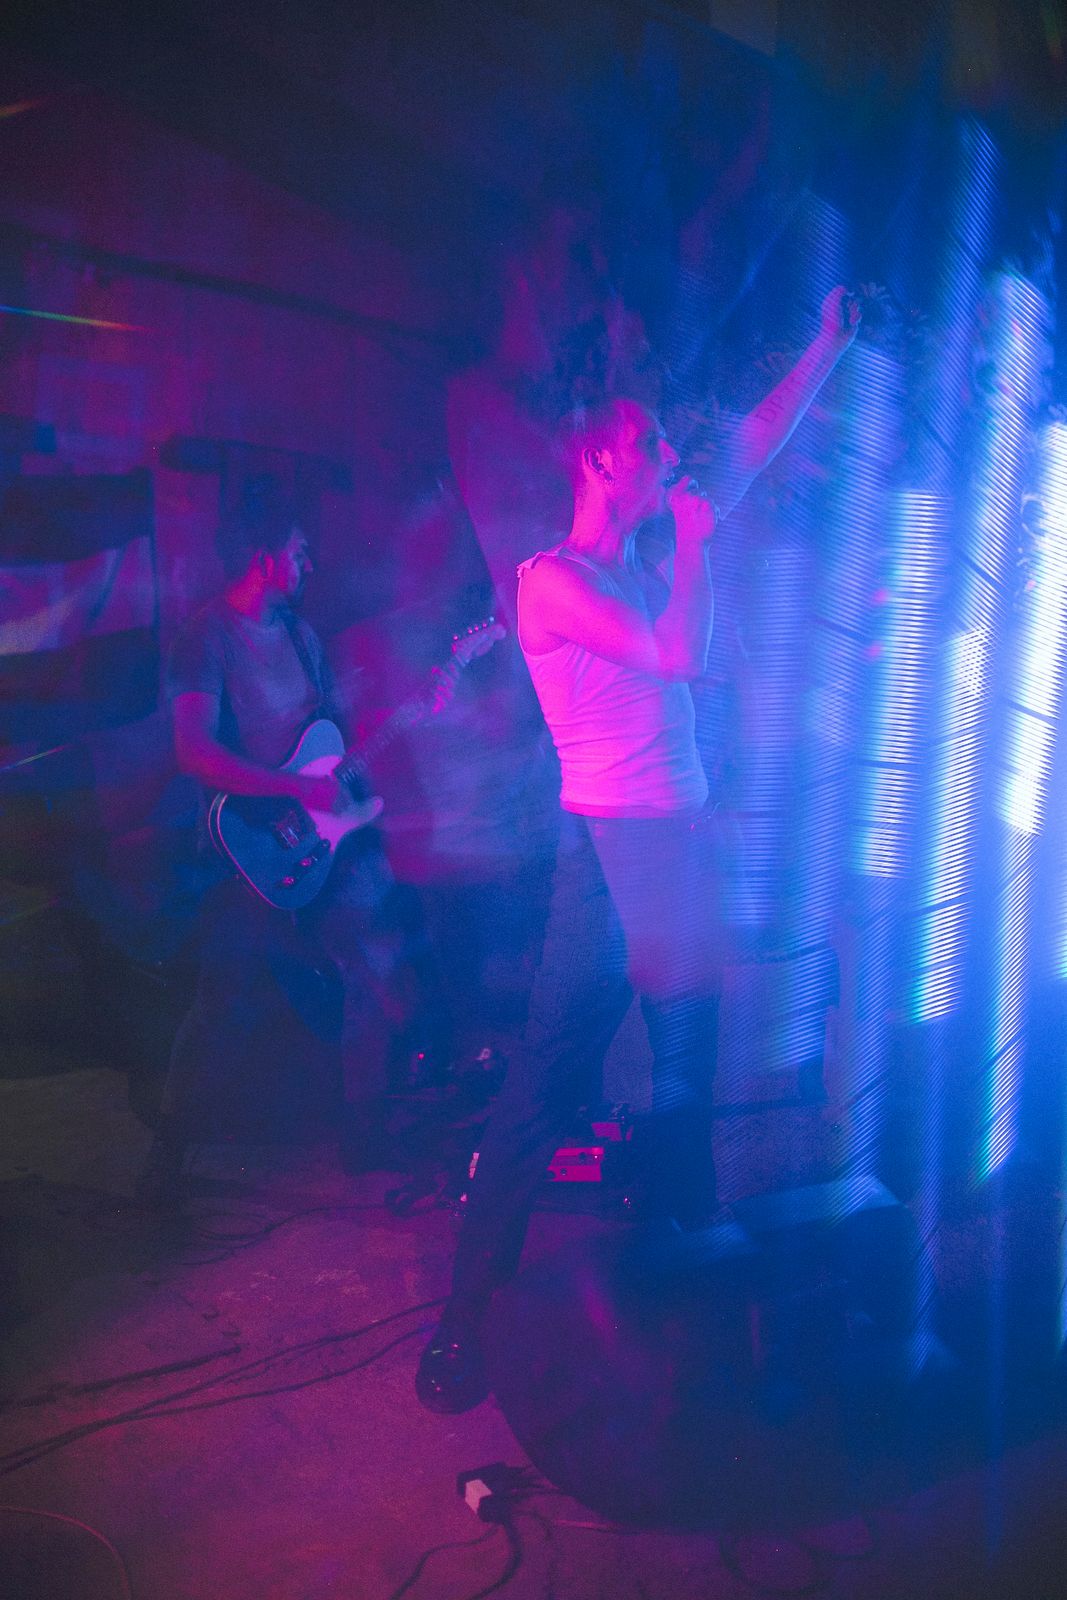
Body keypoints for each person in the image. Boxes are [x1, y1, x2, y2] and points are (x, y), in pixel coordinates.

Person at [416, 285, 861, 1412]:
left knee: (683, 1079)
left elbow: (748, 450)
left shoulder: (645, 552)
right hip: (611, 859)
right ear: (603, 461)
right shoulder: (553, 583)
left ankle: (685, 1308)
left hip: (678, 847)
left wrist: (824, 343)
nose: (671, 456)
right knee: (544, 1087)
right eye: (653, 444)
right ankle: (464, 1319)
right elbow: (676, 655)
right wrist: (699, 548)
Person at [137, 481, 444, 1205]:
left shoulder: (304, 640)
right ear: (264, 557)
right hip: (244, 851)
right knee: (221, 1002)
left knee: (375, 962)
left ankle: (364, 1135)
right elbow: (193, 751)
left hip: (320, 843)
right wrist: (291, 790)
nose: (309, 564)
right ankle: (167, 1158)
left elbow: (328, 745)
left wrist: (406, 718)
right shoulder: (206, 638)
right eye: (300, 551)